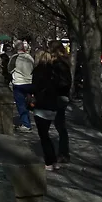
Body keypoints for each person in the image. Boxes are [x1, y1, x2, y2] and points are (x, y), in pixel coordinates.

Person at [31, 41, 72, 171]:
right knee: (60, 126)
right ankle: (61, 154)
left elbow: (56, 83)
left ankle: (57, 156)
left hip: (55, 97)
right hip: (60, 96)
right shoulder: (65, 62)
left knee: (53, 128)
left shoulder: (56, 65)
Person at [8, 40, 34, 132]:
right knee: (27, 103)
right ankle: (27, 121)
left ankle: (26, 124)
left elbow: (9, 69)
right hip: (29, 83)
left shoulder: (14, 58)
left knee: (21, 104)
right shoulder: (29, 57)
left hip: (19, 83)